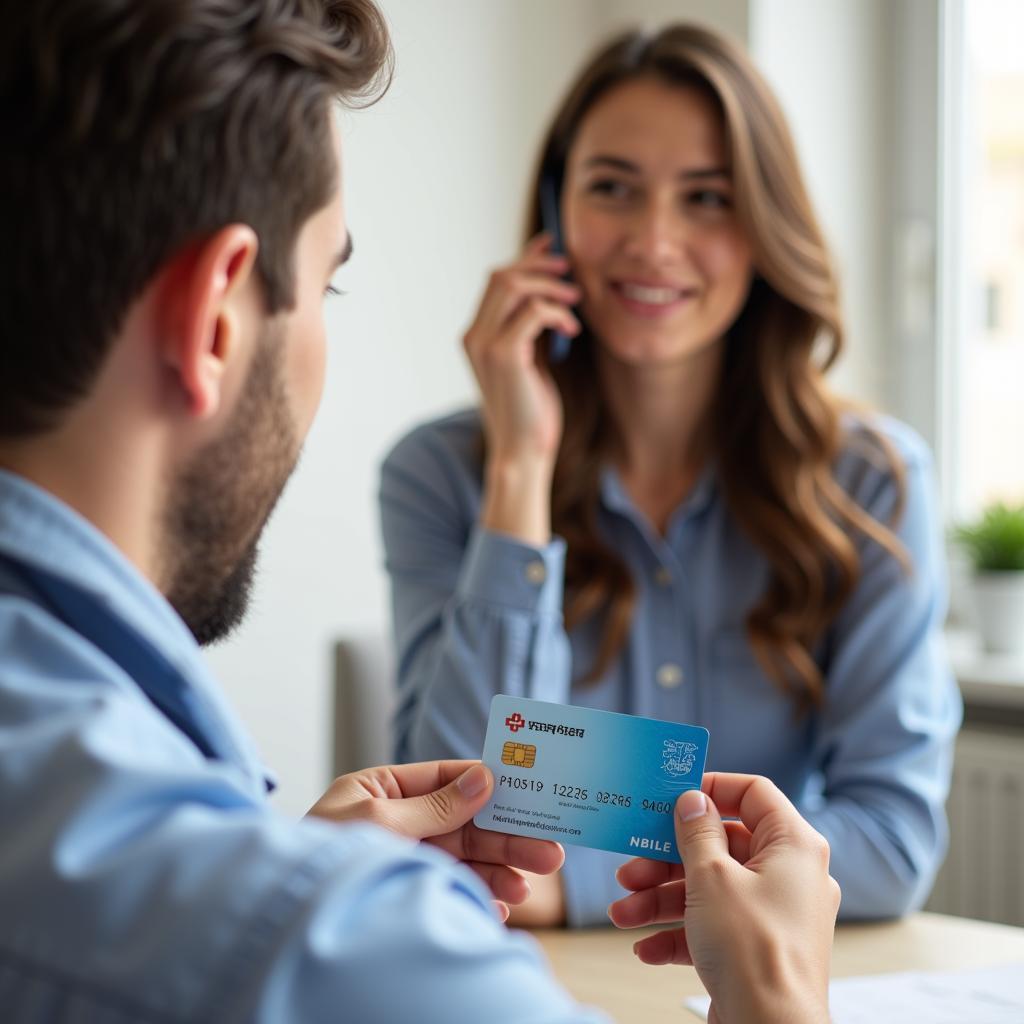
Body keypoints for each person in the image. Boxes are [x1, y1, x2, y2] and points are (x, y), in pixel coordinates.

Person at [0, 1, 839, 1021]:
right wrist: (776, 992)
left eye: (705, 196)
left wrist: (309, 873)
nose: (655, 240)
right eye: (326, 286)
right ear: (215, 316)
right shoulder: (344, 946)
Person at [381, 22, 962, 928]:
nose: (654, 242)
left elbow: (890, 842)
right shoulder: (442, 473)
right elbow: (457, 822)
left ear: (766, 227)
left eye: (707, 198)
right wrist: (520, 471)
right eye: (613, 188)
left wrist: (566, 882)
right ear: (554, 213)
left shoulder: (874, 482)